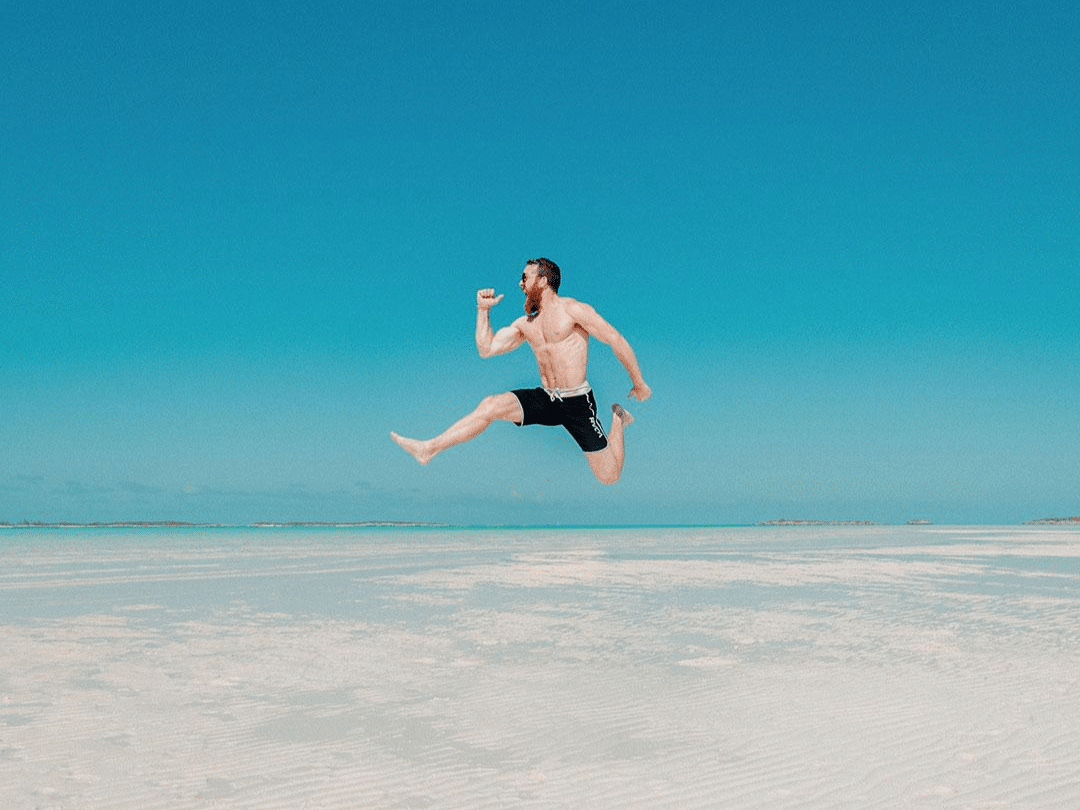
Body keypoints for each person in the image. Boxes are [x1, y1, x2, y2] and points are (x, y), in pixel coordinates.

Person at [390, 257, 651, 484]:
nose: (520, 283)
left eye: (525, 277)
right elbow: (487, 348)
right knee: (490, 405)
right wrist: (483, 311)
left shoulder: (574, 310)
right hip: (547, 398)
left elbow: (615, 339)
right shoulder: (527, 324)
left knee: (609, 477)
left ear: (543, 281)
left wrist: (638, 382)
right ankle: (429, 449)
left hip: (577, 403)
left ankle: (618, 419)